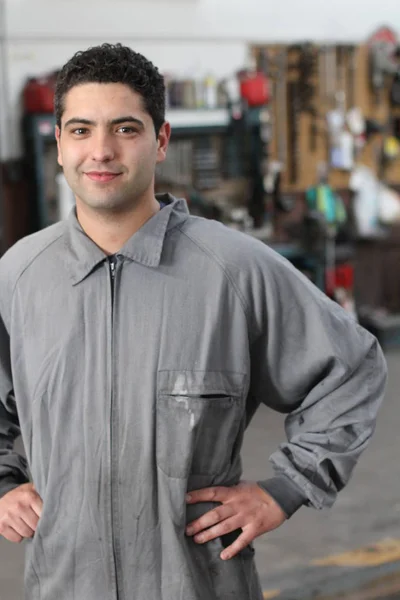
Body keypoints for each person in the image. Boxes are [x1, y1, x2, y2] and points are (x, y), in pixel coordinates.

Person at [0, 43, 387, 600]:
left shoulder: (233, 269)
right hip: (64, 585)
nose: (101, 151)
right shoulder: (20, 274)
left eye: (126, 129)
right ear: (58, 144)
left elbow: (352, 369)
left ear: (160, 142)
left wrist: (286, 488)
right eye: (81, 130)